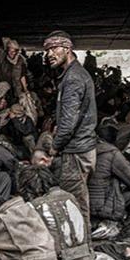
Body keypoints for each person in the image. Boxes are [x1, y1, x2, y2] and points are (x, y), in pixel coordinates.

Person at [44, 31, 96, 229]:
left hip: (76, 151)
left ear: (67, 49)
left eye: (54, 48)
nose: (49, 53)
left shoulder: (73, 79)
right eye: (47, 50)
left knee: (75, 204)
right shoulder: (76, 74)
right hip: (84, 146)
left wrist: (54, 148)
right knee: (80, 199)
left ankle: (81, 249)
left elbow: (67, 124)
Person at [87, 138, 130, 239]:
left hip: (82, 207)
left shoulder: (75, 151)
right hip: (102, 208)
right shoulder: (111, 153)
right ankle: (124, 230)